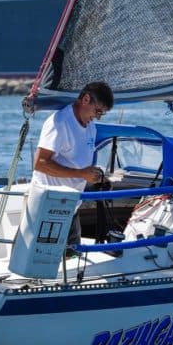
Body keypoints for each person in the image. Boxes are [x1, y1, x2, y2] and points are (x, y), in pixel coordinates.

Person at [31, 82, 114, 253]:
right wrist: (81, 173)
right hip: (48, 207)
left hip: (71, 207)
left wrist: (96, 176)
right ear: (85, 99)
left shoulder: (91, 126)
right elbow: (40, 163)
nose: (98, 117)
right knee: (41, 261)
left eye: (102, 113)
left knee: (72, 260)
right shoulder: (60, 122)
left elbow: (80, 162)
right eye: (98, 111)